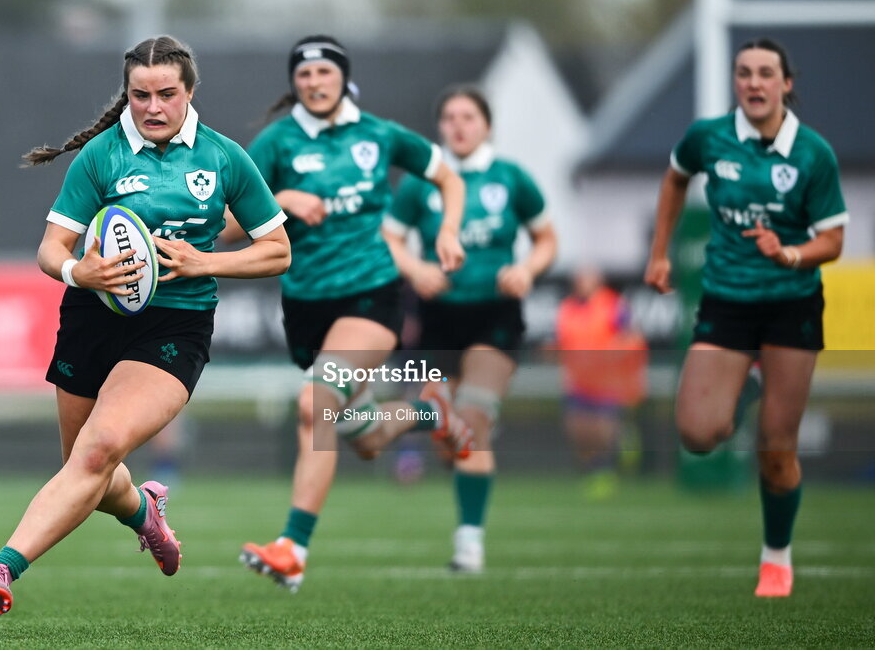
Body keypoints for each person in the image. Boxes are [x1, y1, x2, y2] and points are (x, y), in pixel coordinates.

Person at [0, 36, 290, 616]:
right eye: (141, 95)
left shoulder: (224, 157)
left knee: (100, 449)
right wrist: (76, 270)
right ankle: (144, 512)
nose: (153, 107)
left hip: (175, 323)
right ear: (127, 94)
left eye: (166, 94)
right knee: (85, 466)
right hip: (92, 314)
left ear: (190, 92)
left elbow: (278, 251)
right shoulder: (102, 156)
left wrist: (203, 261)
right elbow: (51, 249)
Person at [238, 35, 470, 593]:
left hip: (372, 298)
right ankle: (429, 412)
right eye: (304, 75)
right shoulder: (275, 144)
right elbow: (227, 222)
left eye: (324, 73)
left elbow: (449, 177)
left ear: (343, 77)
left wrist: (447, 230)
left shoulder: (379, 134)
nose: (314, 83)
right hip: (306, 308)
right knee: (362, 437)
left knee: (315, 406)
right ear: (294, 83)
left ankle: (292, 548)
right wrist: (282, 201)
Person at [644, 38, 848, 597]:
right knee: (697, 433)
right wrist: (660, 252)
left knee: (776, 451)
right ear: (735, 83)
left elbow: (832, 240)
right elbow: (674, 179)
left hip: (790, 305)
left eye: (765, 74)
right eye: (743, 73)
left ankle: (776, 555)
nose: (754, 83)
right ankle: (747, 387)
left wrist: (789, 253)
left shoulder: (813, 154)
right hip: (727, 301)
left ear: (786, 83)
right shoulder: (708, 138)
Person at [383, 85, 557, 572]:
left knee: (473, 416)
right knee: (447, 433)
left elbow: (546, 238)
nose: (459, 125)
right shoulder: (422, 183)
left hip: (495, 317)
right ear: (440, 127)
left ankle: (469, 543)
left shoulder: (511, 178)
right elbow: (390, 239)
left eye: (469, 117)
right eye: (451, 117)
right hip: (439, 320)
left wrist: (527, 269)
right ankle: (460, 442)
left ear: (487, 125)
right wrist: (415, 269)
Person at [554, 265, 647, 500]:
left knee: (602, 430)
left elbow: (632, 337)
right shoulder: (567, 308)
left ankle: (605, 472)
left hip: (607, 379)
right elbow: (565, 343)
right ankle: (592, 471)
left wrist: (613, 353)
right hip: (578, 380)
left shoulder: (613, 305)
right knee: (579, 431)